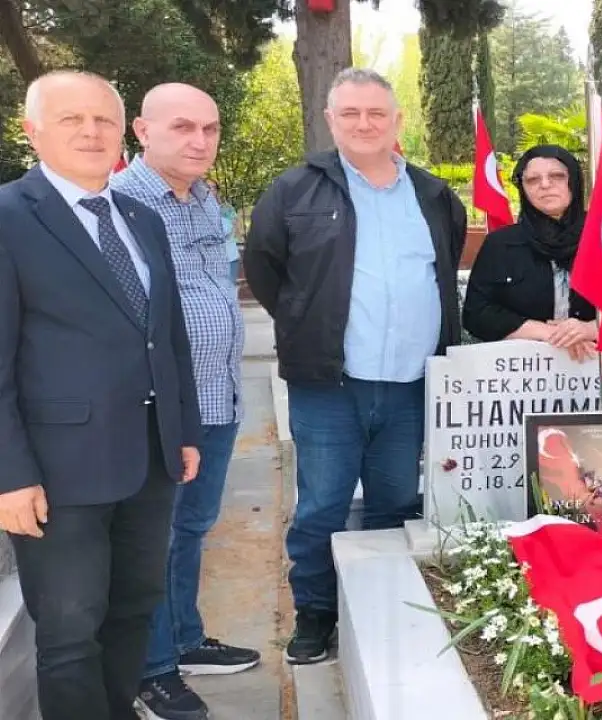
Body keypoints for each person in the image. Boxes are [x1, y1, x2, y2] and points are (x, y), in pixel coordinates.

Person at [243, 67, 466, 665]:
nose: (364, 124)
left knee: (395, 502)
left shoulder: (434, 196)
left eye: (376, 113)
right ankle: (316, 614)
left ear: (396, 120)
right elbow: (265, 269)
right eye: (350, 113)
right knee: (322, 505)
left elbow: (443, 271)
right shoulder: (294, 190)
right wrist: (306, 324)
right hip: (329, 386)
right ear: (330, 120)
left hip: (411, 385)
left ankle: (382, 605)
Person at [0, 70, 201, 720]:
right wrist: (9, 476)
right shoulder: (8, 217)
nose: (91, 132)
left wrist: (184, 429)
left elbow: (167, 336)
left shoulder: (140, 217)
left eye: (104, 120)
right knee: (69, 635)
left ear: (123, 132)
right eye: (72, 119)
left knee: (133, 609)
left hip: (148, 461)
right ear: (32, 132)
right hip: (58, 474)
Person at [111, 83, 258, 720]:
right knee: (154, 538)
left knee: (192, 529)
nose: (200, 141)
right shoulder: (117, 202)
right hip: (159, 409)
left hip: (216, 397)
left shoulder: (202, 199)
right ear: (143, 132)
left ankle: (184, 639)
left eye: (210, 128)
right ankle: (151, 671)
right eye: (182, 127)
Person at [462, 144, 602, 357]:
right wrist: (548, 333)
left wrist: (588, 329)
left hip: (589, 364)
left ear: (574, 181)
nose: (545, 185)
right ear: (523, 188)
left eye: (557, 176)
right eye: (533, 180)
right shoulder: (501, 243)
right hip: (521, 368)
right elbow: (476, 314)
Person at [207, 178, 241, 284]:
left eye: (213, 188)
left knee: (229, 287)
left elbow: (234, 229)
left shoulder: (226, 209)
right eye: (207, 187)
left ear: (217, 191)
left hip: (229, 257)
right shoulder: (196, 210)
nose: (210, 190)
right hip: (210, 261)